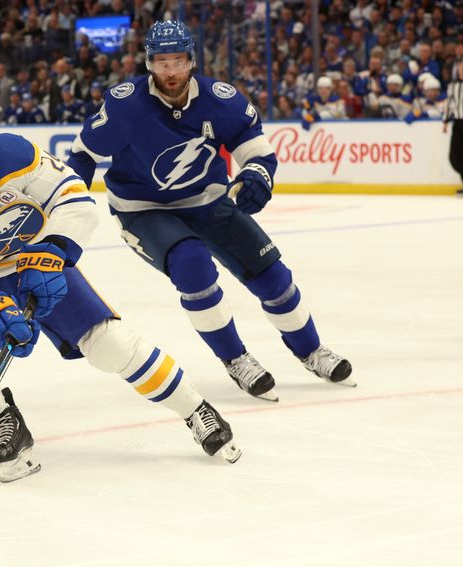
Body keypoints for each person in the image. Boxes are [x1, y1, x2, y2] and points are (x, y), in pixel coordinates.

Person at [0, 94, 241, 483]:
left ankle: (195, 408)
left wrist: (54, 252)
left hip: (38, 259)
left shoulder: (16, 157)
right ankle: (2, 419)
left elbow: (74, 199)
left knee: (110, 344)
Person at [66, 20, 354, 403]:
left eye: (178, 60)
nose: (171, 71)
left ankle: (311, 349)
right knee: (192, 264)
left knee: (273, 276)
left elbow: (256, 148)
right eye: (162, 61)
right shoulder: (125, 104)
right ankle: (236, 359)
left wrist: (256, 176)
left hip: (208, 201)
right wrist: (66, 197)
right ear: (149, 63)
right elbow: (84, 153)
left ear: (192, 60)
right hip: (144, 209)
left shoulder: (221, 99)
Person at [442, 58, 463, 194]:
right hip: (458, 122)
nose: (461, 71)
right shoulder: (453, 86)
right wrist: (445, 121)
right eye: (460, 69)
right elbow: (449, 103)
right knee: (454, 157)